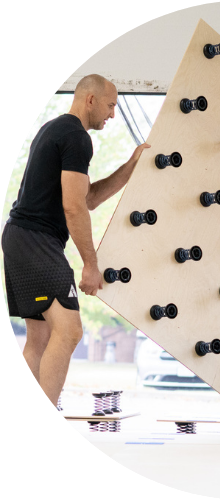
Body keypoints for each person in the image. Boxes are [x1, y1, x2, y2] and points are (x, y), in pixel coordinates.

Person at [2, 74, 150, 407]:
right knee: (70, 331)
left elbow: (88, 198)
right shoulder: (76, 137)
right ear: (90, 100)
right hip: (36, 241)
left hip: (20, 238)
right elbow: (73, 206)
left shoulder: (55, 129)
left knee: (40, 337)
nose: (112, 114)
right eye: (110, 105)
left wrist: (131, 166)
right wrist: (90, 265)